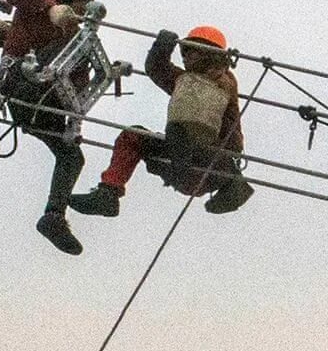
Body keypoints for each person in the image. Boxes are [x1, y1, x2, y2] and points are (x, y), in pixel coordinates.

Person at [68, 24, 252, 218]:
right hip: (180, 160)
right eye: (184, 51)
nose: (185, 56)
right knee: (134, 136)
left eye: (191, 52)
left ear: (208, 54)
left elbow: (217, 81)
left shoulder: (223, 81)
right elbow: (157, 69)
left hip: (210, 164)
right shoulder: (185, 81)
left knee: (179, 129)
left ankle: (208, 174)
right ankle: (108, 194)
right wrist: (162, 47)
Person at [0, 0, 107, 254]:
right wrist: (51, 9)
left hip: (43, 107)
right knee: (69, 48)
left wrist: (73, 123)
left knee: (72, 156)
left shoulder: (76, 41)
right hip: (23, 85)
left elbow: (77, 85)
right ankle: (54, 216)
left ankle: (53, 216)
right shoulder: (39, 6)